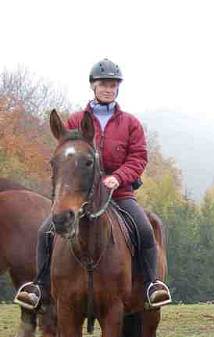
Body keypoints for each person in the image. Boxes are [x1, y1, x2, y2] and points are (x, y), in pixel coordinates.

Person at [14, 58, 171, 311]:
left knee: (143, 229)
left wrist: (117, 177)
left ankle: (152, 285)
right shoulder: (76, 120)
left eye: (113, 84)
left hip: (119, 193)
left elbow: (139, 157)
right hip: (80, 195)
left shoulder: (130, 123)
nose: (108, 88)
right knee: (46, 231)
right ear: (93, 86)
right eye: (103, 84)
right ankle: (40, 287)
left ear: (117, 88)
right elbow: (67, 155)